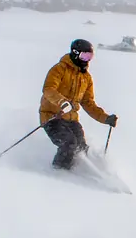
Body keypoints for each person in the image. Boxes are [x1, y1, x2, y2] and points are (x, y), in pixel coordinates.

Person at [38, 39, 116, 170]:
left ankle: (75, 171)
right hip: (52, 117)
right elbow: (48, 89)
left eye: (90, 56)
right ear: (75, 53)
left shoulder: (86, 78)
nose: (87, 60)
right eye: (84, 56)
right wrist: (62, 102)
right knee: (69, 143)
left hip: (71, 119)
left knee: (81, 147)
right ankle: (58, 172)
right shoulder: (59, 70)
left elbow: (88, 103)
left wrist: (105, 118)